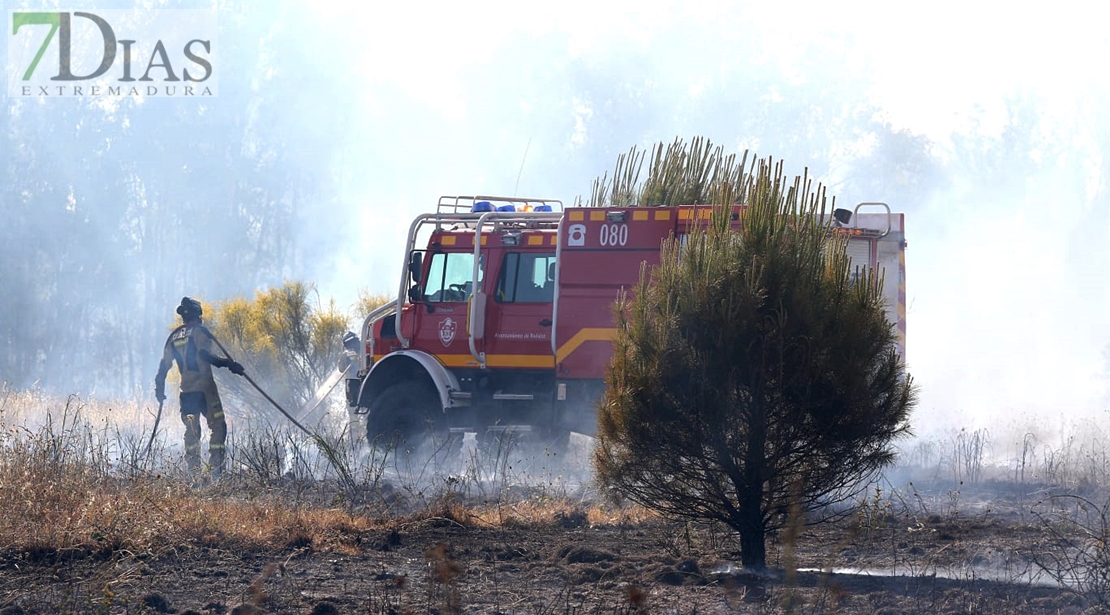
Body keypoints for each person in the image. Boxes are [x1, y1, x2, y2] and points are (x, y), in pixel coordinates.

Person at [154, 297, 244, 476]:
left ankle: (194, 473)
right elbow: (205, 355)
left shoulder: (174, 337)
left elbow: (164, 366)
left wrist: (159, 389)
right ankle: (215, 471)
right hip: (205, 390)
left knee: (192, 432)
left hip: (186, 392)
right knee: (218, 426)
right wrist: (228, 364)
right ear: (198, 315)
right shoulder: (199, 332)